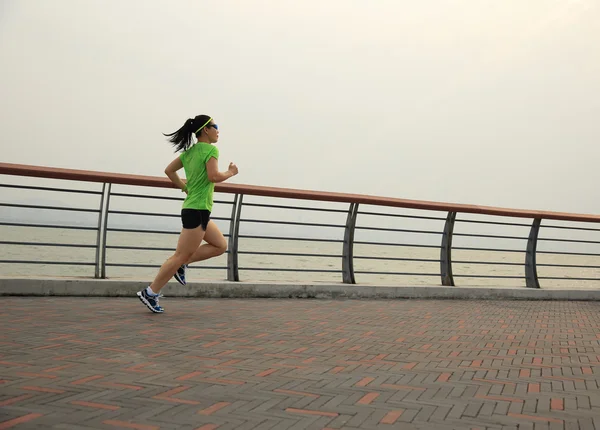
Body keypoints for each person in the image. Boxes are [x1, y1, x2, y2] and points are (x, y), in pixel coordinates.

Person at [137, 115, 238, 313]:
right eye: (215, 126)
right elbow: (214, 176)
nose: (218, 130)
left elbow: (169, 171)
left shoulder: (190, 153)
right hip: (197, 210)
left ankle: (183, 265)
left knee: (220, 245)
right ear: (205, 130)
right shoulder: (211, 150)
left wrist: (185, 187)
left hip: (197, 209)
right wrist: (231, 172)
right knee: (179, 256)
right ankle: (150, 292)